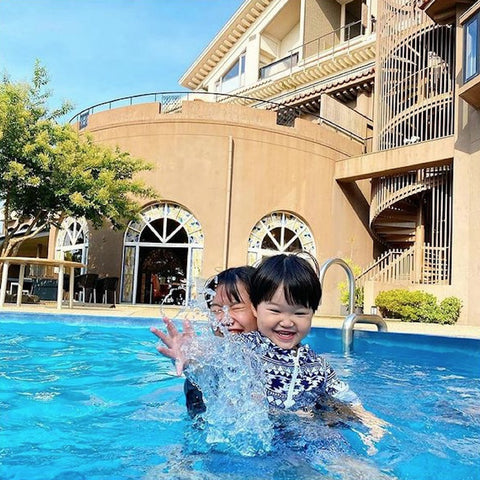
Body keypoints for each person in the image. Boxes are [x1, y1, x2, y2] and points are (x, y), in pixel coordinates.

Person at [150, 265, 257, 417]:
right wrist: (190, 364)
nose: (225, 319)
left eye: (236, 308)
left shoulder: (285, 360)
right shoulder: (213, 358)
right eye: (216, 310)